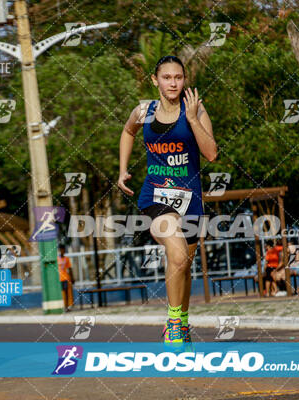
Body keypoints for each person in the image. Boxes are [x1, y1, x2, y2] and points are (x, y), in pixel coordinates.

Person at [118, 55, 217, 348]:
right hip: (155, 197)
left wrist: (191, 119)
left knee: (184, 265)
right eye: (167, 77)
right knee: (177, 256)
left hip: (191, 200)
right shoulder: (144, 111)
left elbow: (211, 153)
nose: (173, 83)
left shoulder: (196, 110)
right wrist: (123, 169)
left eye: (178, 77)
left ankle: (182, 324)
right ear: (155, 80)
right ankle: (173, 322)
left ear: (184, 80)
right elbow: (127, 131)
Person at [57, 245, 75, 311]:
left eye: (63, 249)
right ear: (59, 250)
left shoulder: (66, 259)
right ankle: (63, 306)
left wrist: (72, 278)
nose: (62, 251)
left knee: (67, 293)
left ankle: (67, 307)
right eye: (61, 249)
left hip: (66, 278)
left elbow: (69, 268)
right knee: (62, 293)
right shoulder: (57, 259)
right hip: (59, 278)